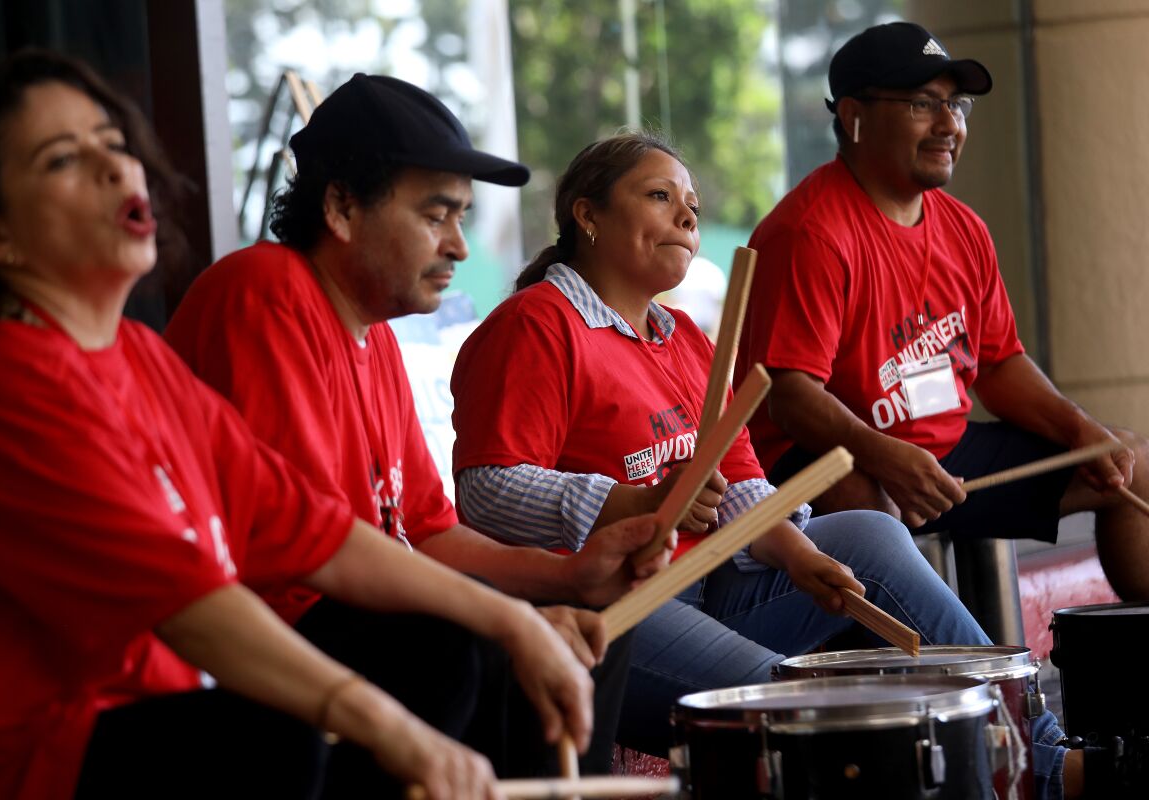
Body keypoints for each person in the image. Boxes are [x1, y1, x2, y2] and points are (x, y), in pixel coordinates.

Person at [0, 50, 599, 800]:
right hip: (39, 763)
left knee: (514, 643)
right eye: (63, 158)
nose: (114, 169)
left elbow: (306, 525)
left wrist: (520, 619)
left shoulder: (134, 355)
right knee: (281, 733)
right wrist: (389, 725)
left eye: (113, 142)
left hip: (165, 714)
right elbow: (187, 597)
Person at [446, 131, 1082, 799]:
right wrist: (631, 504)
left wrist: (796, 555)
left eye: (691, 203)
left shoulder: (687, 339)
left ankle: (1039, 751)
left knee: (868, 533)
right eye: (660, 197)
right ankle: (1045, 777)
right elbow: (487, 492)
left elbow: (746, 487)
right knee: (805, 706)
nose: (688, 218)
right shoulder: (536, 325)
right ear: (588, 215)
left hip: (715, 586)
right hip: (613, 606)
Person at [164, 72, 671, 777]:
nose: (459, 246)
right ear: (341, 207)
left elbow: (428, 533)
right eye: (437, 215)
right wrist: (508, 618)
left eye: (462, 217)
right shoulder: (264, 290)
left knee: (589, 633)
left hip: (360, 626)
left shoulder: (376, 339)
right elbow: (311, 555)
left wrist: (568, 576)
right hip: (266, 655)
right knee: (451, 636)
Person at [736, 21, 1149, 604]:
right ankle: (936, 683)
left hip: (942, 454)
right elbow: (790, 396)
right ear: (853, 116)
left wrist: (1083, 430)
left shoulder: (964, 227)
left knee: (1134, 462)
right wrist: (887, 458)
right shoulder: (809, 233)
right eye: (921, 104)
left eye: (954, 104)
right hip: (825, 460)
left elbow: (1000, 365)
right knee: (871, 519)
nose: (949, 123)